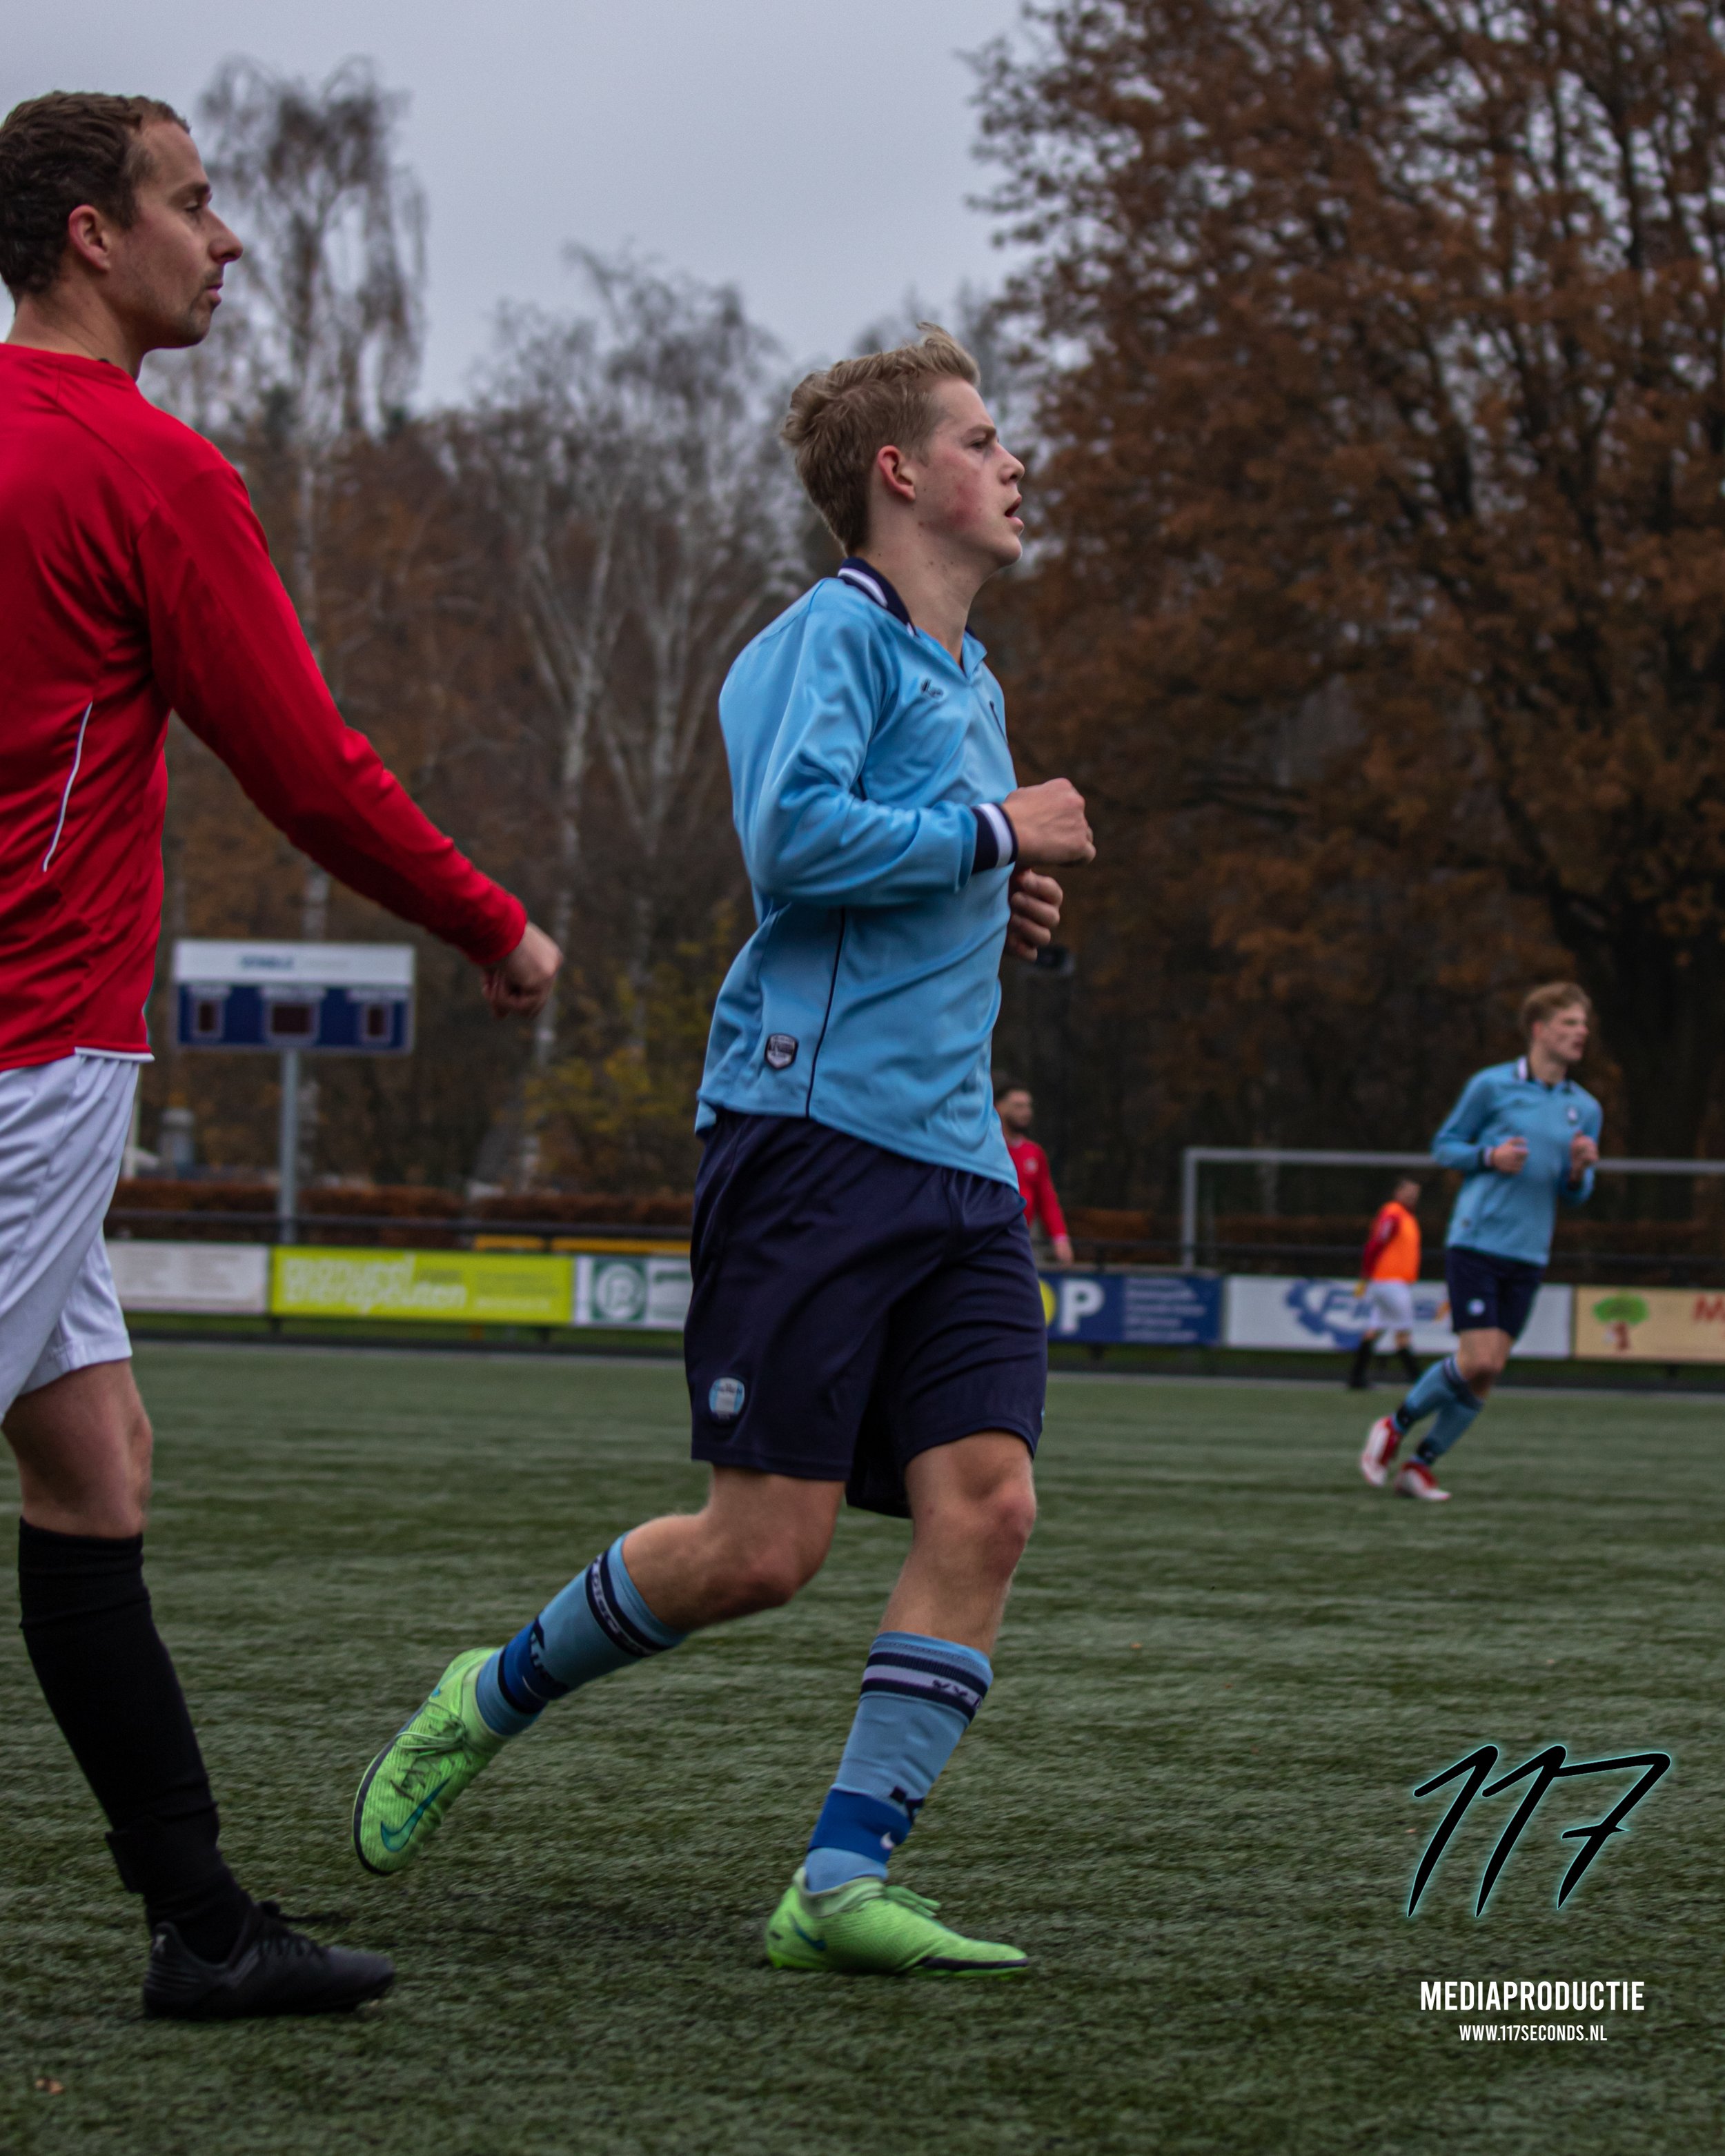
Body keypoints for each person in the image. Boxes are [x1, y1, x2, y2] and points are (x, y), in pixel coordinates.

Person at [353, 326, 1094, 1975]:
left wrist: (1005, 902)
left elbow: (907, 866)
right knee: (763, 1549)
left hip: (960, 1165)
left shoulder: (970, 680)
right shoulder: (818, 639)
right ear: (899, 472)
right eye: (982, 437)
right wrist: (995, 829)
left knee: (987, 1505)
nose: (1013, 460)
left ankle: (836, 1882)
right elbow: (794, 838)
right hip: (812, 1137)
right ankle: (488, 1689)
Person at [0, 92, 561, 2018]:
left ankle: (204, 1926)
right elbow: (308, 768)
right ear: (94, 234)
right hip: (29, 1050)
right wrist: (491, 921)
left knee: (96, 1463)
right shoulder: (148, 469)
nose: (226, 237)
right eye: (194, 201)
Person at [1360, 985, 1601, 1501]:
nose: (1581, 1032)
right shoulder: (1492, 1086)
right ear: (1539, 1030)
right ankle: (1394, 1427)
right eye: (1569, 1023)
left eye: (1583, 1023)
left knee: (1489, 1373)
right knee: (1480, 1361)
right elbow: (1446, 1147)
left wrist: (1579, 1170)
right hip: (1478, 1239)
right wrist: (1489, 1156)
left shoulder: (1585, 1108)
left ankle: (1419, 1467)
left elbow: (1575, 1195)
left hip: (1530, 1251)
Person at [1346, 1178, 1422, 1389]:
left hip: (1391, 1282)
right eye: (1408, 1192)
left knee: (1375, 1329)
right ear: (1397, 1192)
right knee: (1403, 1334)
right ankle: (1419, 1381)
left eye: (1416, 1193)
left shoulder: (1406, 1217)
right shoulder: (1393, 1213)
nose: (1413, 1196)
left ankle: (1356, 1377)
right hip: (1390, 1282)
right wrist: (1366, 1273)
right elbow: (1376, 1243)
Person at [994, 1080, 1074, 1265]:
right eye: (1018, 1106)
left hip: (1021, 1238)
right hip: (989, 1237)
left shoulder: (1034, 1152)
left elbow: (1047, 1199)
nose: (1026, 1112)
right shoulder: (988, 1149)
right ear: (999, 1107)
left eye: (1028, 1106)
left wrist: (1060, 1236)